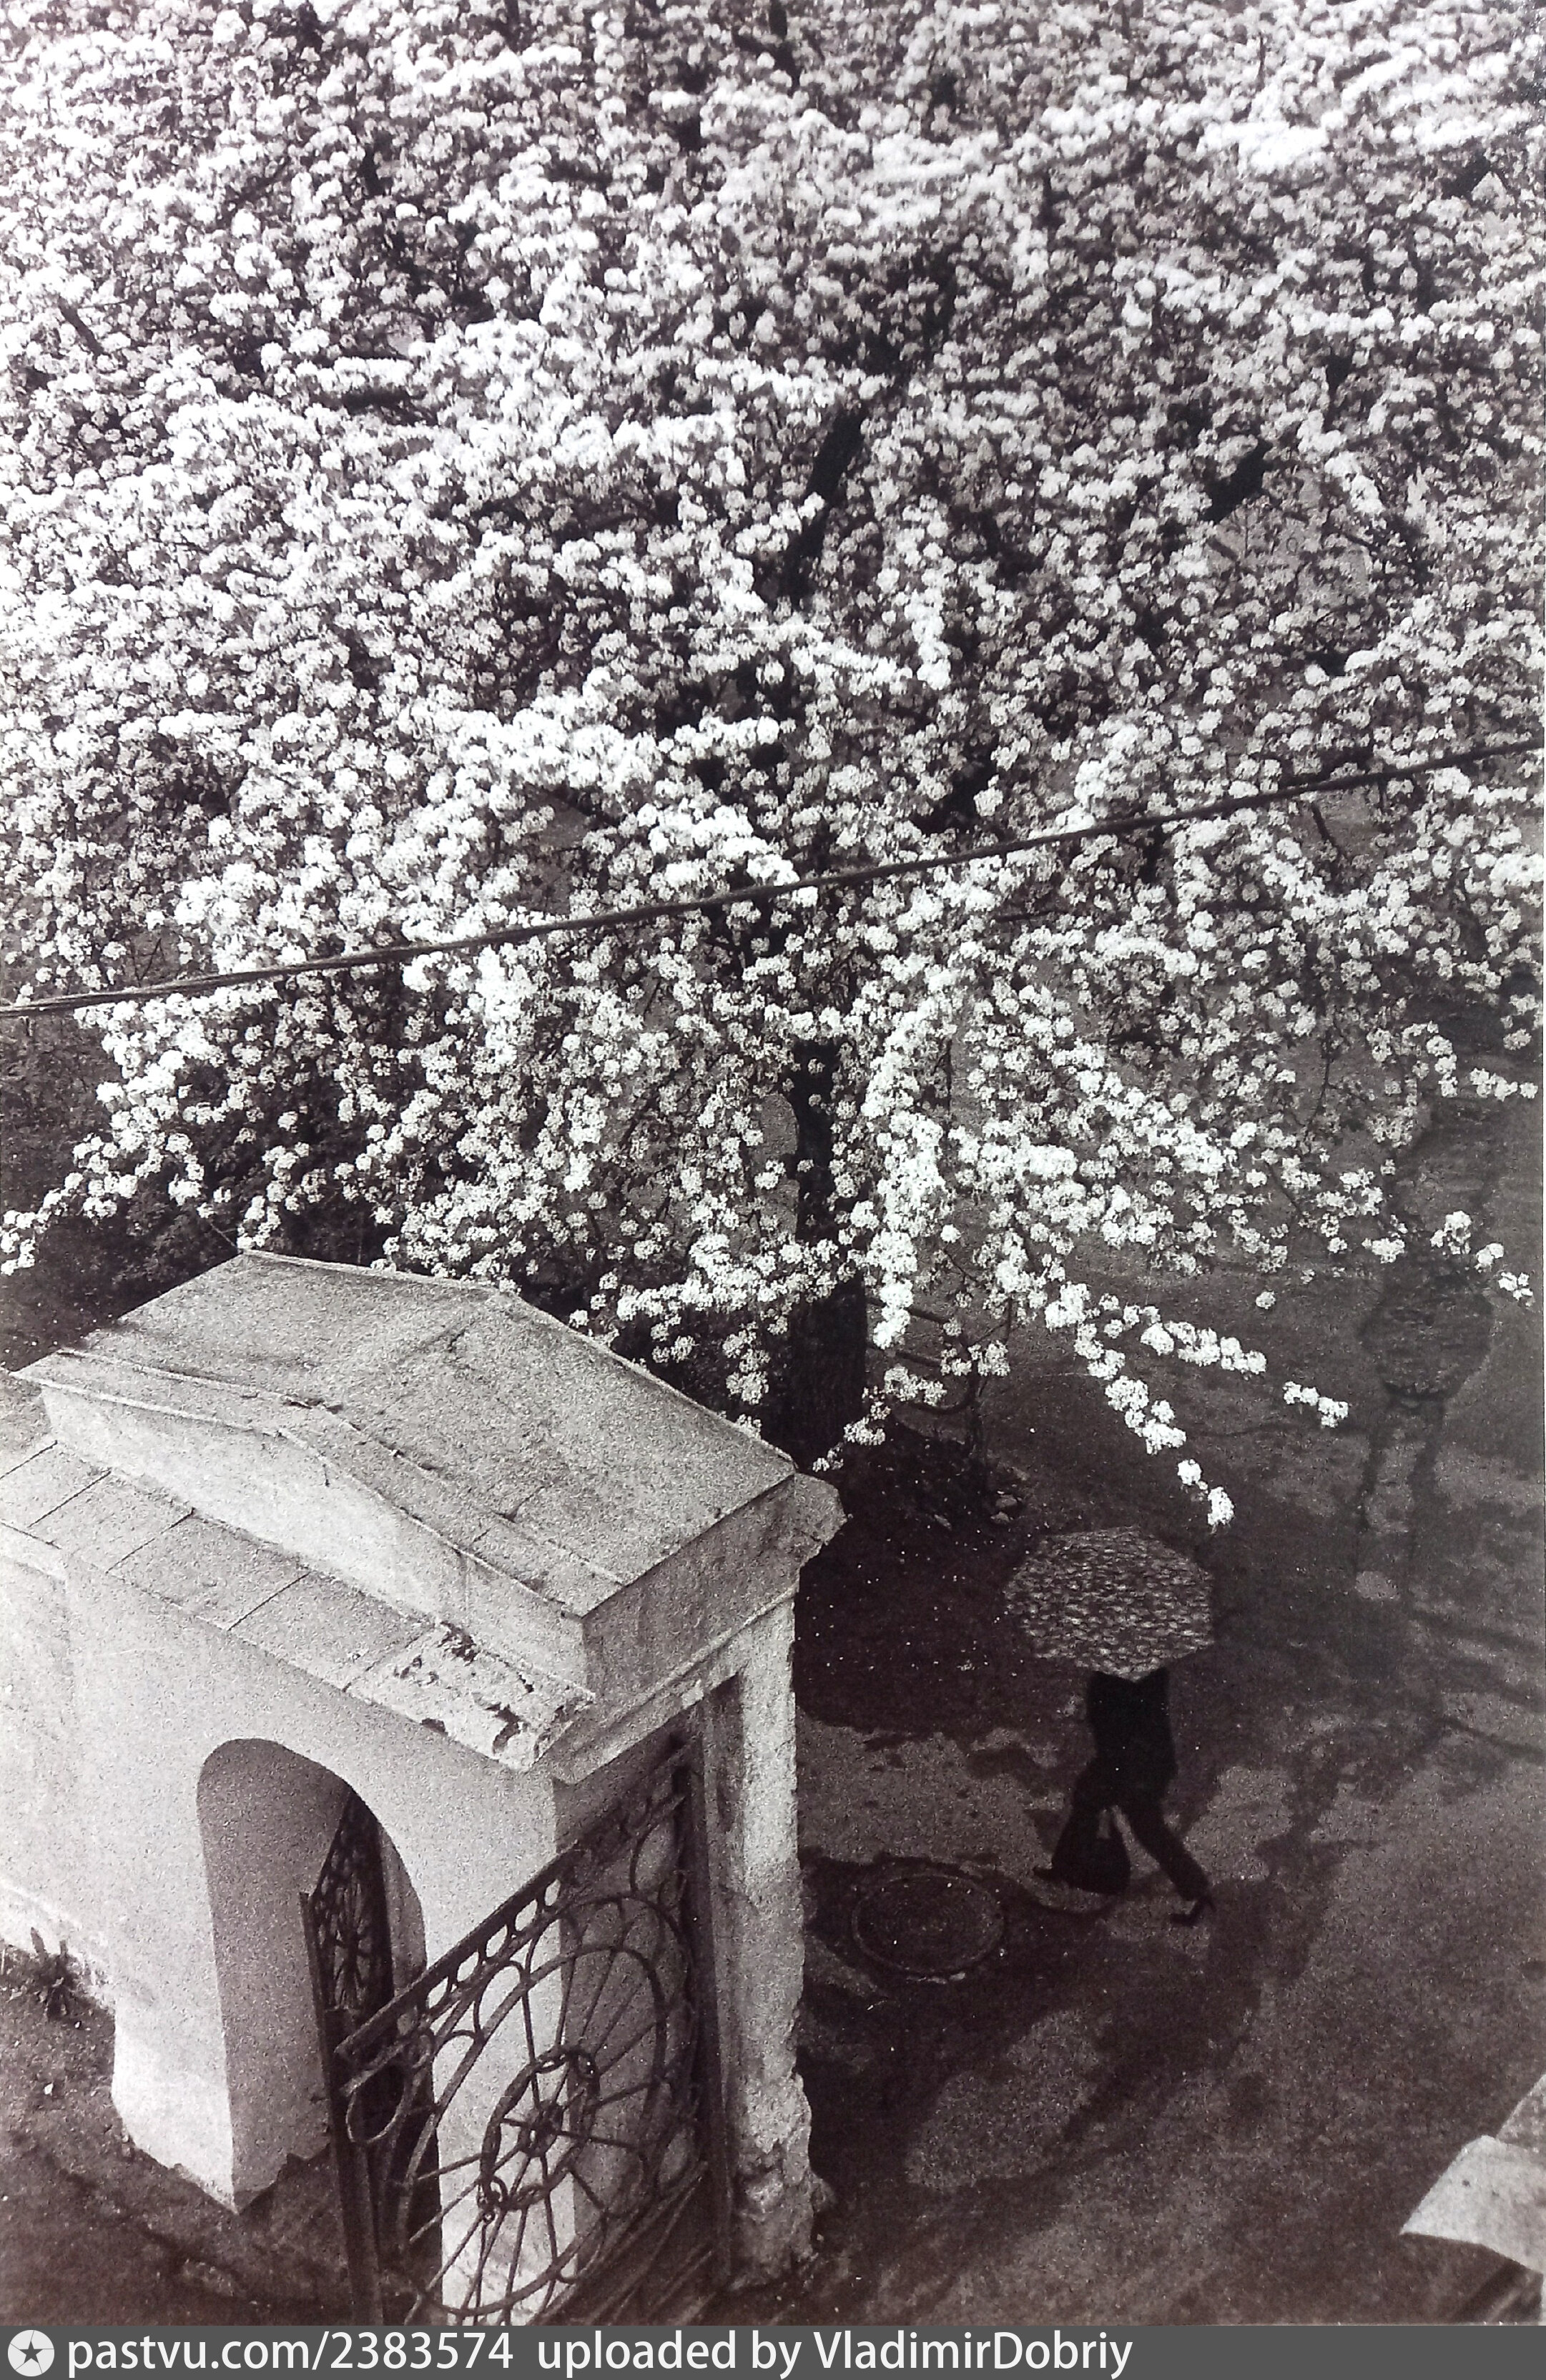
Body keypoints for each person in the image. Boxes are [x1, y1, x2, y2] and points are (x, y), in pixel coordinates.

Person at [1037, 1667, 1214, 1924]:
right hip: (1130, 1759)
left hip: (1132, 1763)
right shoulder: (1134, 1671)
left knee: (1142, 1824)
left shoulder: (1128, 1675)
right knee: (1097, 1806)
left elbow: (1123, 1722)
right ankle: (1065, 1867)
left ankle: (1196, 1889)